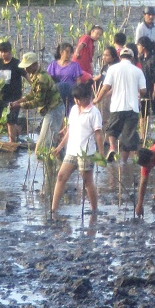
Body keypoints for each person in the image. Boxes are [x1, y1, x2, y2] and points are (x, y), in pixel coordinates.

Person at [51, 83, 104, 218]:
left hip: (86, 153)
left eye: (79, 99)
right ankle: (53, 210)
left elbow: (98, 134)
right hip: (72, 151)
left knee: (87, 182)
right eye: (75, 99)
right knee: (61, 177)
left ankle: (94, 210)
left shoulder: (94, 112)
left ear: (88, 97)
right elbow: (70, 130)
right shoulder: (74, 109)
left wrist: (101, 153)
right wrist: (60, 147)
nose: (77, 101)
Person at [92, 47, 146, 163]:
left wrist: (98, 99)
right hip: (132, 108)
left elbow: (105, 87)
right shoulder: (138, 71)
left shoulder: (113, 69)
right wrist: (137, 91)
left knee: (111, 129)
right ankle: (124, 163)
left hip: (117, 106)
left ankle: (112, 147)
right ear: (132, 58)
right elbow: (143, 90)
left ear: (120, 57)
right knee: (128, 136)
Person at [10, 52, 64, 154]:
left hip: (54, 110)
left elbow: (37, 101)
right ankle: (56, 164)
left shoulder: (41, 79)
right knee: (46, 144)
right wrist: (19, 101)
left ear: (35, 64)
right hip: (51, 110)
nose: (25, 69)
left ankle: (53, 166)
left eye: (28, 67)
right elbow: (32, 94)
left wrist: (19, 105)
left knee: (43, 147)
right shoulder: (35, 75)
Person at [48, 42, 92, 112]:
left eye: (70, 53)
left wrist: (78, 93)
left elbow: (78, 81)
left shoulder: (75, 65)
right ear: (61, 52)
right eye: (67, 52)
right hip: (57, 93)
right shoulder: (53, 65)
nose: (69, 55)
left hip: (70, 93)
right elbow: (49, 80)